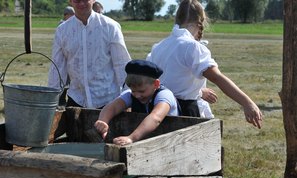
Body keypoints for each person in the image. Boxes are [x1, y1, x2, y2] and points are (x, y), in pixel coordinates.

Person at [146, 0, 262, 128]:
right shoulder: (192, 47)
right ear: (199, 22)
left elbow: (169, 82)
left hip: (159, 111)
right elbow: (217, 77)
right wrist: (247, 103)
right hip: (185, 114)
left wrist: (199, 91)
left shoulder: (159, 47)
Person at [48, 0, 131, 109]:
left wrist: (128, 98)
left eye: (85, 0)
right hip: (76, 100)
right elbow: (57, 69)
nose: (81, 4)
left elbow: (122, 64)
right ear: (70, 1)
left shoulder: (110, 26)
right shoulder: (62, 30)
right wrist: (50, 101)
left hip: (108, 101)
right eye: (77, 0)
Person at [94, 60, 179, 146]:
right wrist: (103, 121)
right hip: (146, 143)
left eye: (142, 91)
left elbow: (155, 118)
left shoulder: (164, 95)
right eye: (133, 91)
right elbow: (113, 107)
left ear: (156, 84)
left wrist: (131, 138)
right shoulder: (130, 95)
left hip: (170, 142)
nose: (137, 95)